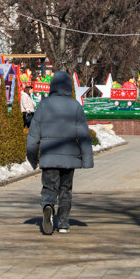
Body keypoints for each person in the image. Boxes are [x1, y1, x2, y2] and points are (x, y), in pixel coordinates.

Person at [26, 71, 93, 235]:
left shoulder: (43, 105)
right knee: (65, 190)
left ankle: (48, 206)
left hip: (49, 156)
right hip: (70, 157)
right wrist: (87, 160)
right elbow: (84, 134)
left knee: (49, 187)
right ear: (69, 87)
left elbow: (33, 135)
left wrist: (32, 158)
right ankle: (63, 223)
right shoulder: (75, 106)